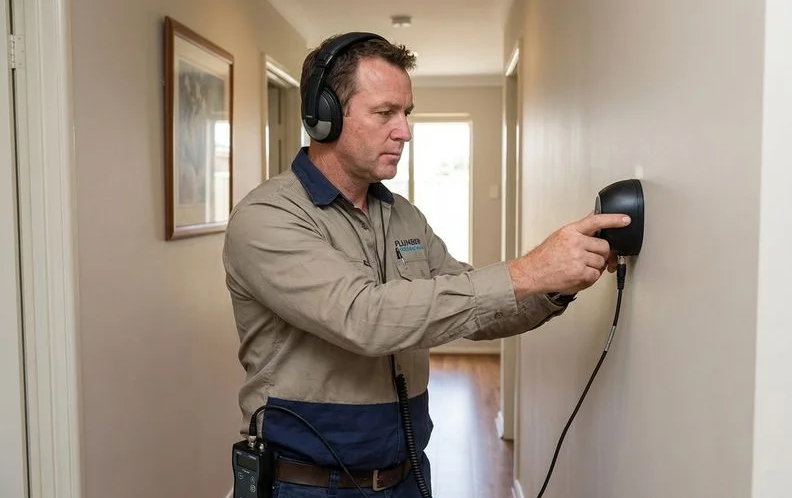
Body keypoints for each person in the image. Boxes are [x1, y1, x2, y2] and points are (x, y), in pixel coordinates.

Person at [222, 31, 630, 498]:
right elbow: (364, 318)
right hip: (307, 486)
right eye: (384, 113)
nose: (405, 130)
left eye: (406, 112)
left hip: (408, 476)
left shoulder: (403, 215)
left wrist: (560, 280)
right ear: (324, 117)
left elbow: (475, 307)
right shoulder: (267, 218)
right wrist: (529, 269)